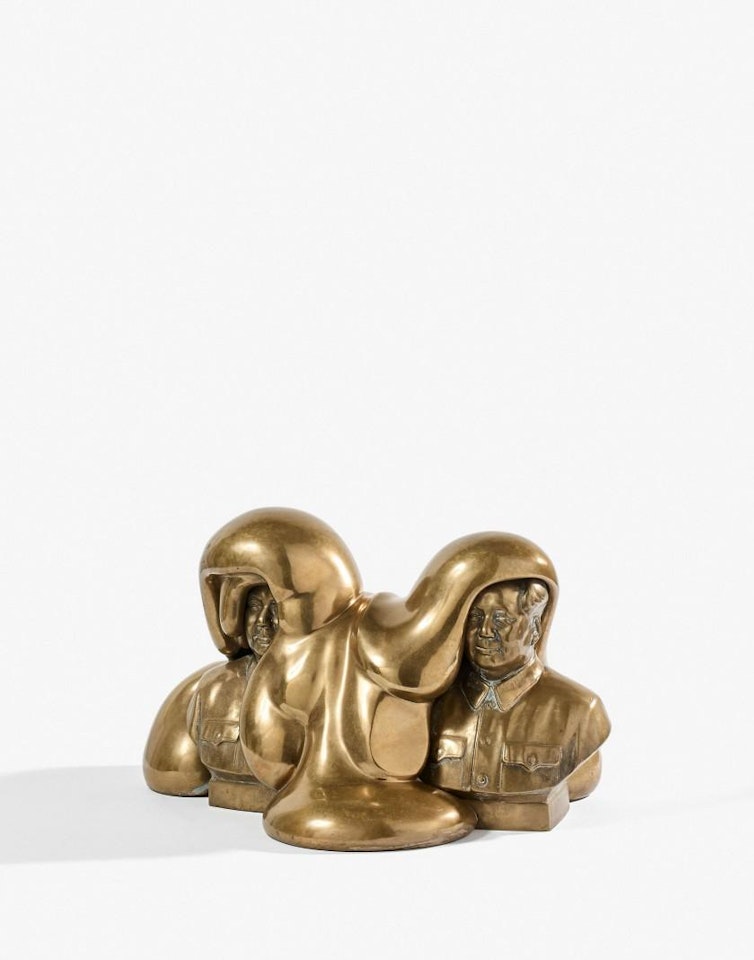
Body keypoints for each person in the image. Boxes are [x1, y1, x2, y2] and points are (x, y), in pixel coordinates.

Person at [422, 578, 610, 830]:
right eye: (476, 618)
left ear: (534, 628)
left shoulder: (579, 709)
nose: (485, 631)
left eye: (501, 620)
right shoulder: (434, 702)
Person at [143, 580, 279, 811]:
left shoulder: (328, 689)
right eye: (254, 607)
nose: (262, 621)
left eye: (276, 609)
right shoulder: (214, 686)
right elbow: (168, 776)